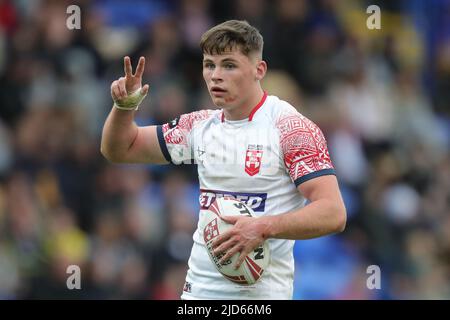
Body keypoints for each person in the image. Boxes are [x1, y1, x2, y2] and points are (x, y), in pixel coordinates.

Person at [101, 20, 346, 299]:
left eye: (229, 65)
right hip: (199, 296)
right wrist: (124, 107)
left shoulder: (291, 128)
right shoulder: (199, 127)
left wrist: (263, 228)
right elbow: (120, 149)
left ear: (259, 70)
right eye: (209, 65)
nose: (216, 75)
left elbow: (333, 212)